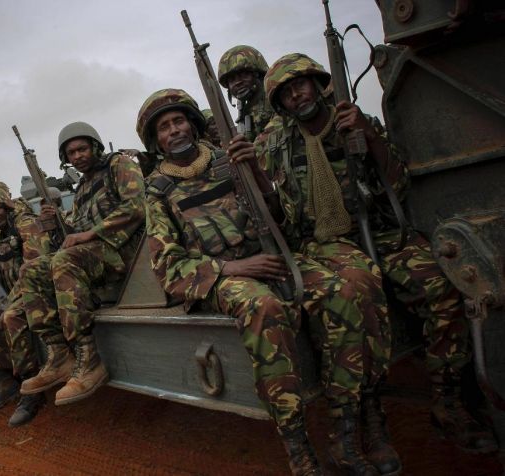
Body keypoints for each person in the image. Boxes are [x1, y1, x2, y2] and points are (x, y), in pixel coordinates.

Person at [254, 52, 497, 461]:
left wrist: (367, 136)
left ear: (317, 84)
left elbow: (398, 184)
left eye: (301, 85)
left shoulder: (353, 120)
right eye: (286, 93)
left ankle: (448, 400)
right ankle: (366, 416)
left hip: (380, 232)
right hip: (325, 243)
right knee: (357, 292)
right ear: (279, 104)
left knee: (442, 284)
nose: (297, 95)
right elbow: (276, 212)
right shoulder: (275, 144)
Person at [137, 88, 385, 475]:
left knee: (342, 292)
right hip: (223, 276)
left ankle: (345, 431)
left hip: (271, 257)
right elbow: (168, 267)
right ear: (157, 141)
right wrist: (236, 268)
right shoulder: (157, 191)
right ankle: (298, 447)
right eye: (164, 128)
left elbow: (286, 219)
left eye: (179, 121)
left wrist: (256, 172)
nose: (174, 130)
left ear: (193, 124)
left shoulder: (229, 160)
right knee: (264, 308)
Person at [20, 121, 145, 406]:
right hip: (95, 256)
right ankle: (59, 355)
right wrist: (56, 225)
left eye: (82, 149)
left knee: (65, 260)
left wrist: (91, 234)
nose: (77, 156)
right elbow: (75, 231)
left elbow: (137, 206)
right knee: (31, 270)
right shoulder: (82, 189)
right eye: (71, 153)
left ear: (95, 147)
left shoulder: (119, 165)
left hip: (129, 252)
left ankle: (89, 358)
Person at [0, 184, 52, 426]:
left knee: (11, 317)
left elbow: (35, 265)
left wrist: (11, 299)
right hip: (15, 293)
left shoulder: (24, 223)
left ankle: (32, 387)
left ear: (6, 206)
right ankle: (6, 382)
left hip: (39, 287)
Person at [218, 45, 274, 139]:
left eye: (244, 75)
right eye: (232, 80)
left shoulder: (276, 98)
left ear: (258, 75)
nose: (238, 82)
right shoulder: (245, 111)